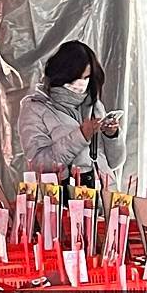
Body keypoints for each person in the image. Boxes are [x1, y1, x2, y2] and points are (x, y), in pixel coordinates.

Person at [18, 41, 125, 202]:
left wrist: (112, 136)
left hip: (105, 201)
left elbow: (114, 162)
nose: (81, 84)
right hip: (63, 202)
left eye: (87, 77)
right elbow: (39, 163)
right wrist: (80, 136)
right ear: (62, 74)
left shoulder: (94, 104)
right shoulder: (35, 108)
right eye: (76, 77)